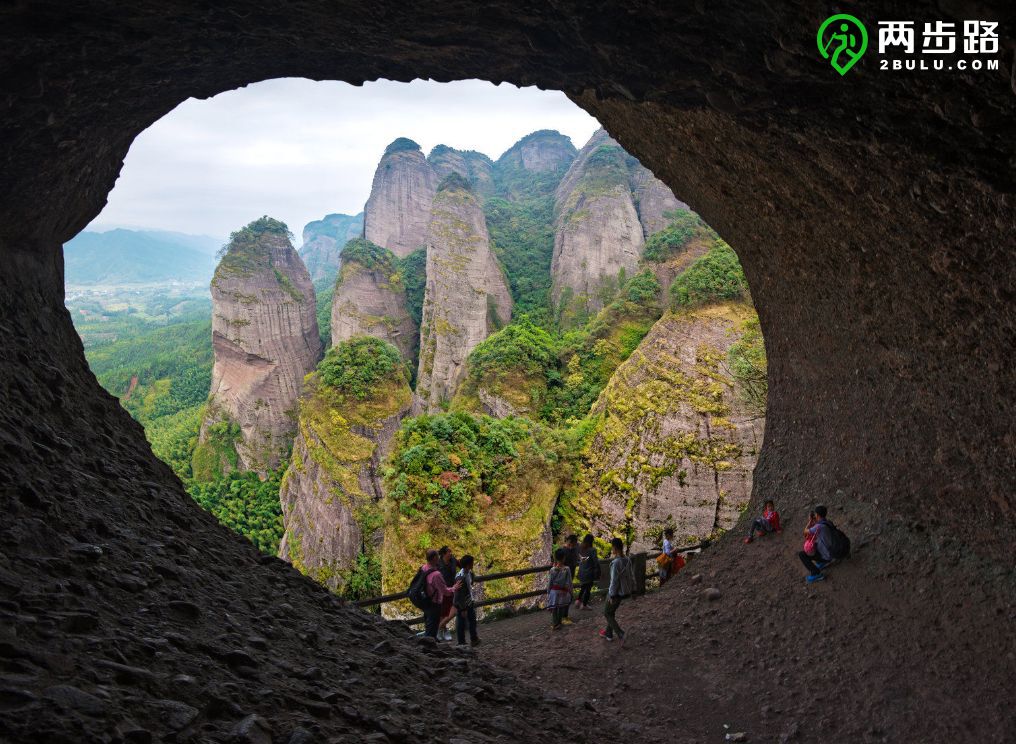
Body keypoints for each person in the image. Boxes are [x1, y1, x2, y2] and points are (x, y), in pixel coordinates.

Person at [600, 537, 633, 643]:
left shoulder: (616, 563)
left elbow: (614, 581)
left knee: (607, 613)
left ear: (615, 548)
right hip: (624, 591)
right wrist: (634, 589)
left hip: (616, 593)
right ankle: (608, 634)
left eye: (612, 548)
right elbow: (631, 576)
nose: (611, 550)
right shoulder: (627, 560)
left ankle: (620, 633)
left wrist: (611, 594)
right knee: (611, 612)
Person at [421, 549, 460, 638]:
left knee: (433, 622)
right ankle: (433, 639)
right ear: (435, 558)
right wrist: (454, 588)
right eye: (437, 556)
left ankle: (437, 635)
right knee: (434, 625)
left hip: (426, 599)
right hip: (435, 601)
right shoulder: (436, 574)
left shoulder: (424, 568)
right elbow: (445, 591)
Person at [799, 504, 833, 583]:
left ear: (817, 515)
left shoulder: (818, 527)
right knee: (814, 545)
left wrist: (810, 521)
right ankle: (821, 562)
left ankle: (816, 574)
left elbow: (805, 532)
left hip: (826, 556)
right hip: (831, 551)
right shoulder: (827, 523)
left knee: (802, 554)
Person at [453, 554, 480, 647]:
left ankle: (474, 639)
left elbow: (469, 584)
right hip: (462, 603)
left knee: (472, 620)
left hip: (469, 600)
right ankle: (461, 642)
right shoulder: (460, 577)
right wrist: (463, 608)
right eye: (472, 563)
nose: (473, 564)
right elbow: (458, 594)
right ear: (468, 565)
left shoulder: (469, 573)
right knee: (461, 623)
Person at [547, 547, 573, 630]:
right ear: (564, 558)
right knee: (561, 607)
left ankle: (555, 623)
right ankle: (559, 622)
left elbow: (550, 582)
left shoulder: (552, 570)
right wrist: (571, 592)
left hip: (554, 592)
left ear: (555, 558)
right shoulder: (567, 569)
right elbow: (569, 582)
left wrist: (548, 592)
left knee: (554, 608)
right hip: (563, 592)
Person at [436, 546, 458, 641]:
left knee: (453, 611)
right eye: (449, 551)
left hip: (453, 589)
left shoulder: (453, 560)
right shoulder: (438, 564)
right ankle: (444, 631)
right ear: (444, 554)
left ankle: (438, 629)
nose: (451, 553)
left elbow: (462, 565)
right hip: (441, 590)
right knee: (442, 613)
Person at [574, 534, 600, 610]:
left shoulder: (579, 548)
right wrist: (598, 572)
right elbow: (596, 562)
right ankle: (584, 605)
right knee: (588, 589)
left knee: (583, 587)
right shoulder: (592, 550)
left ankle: (578, 601)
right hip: (589, 573)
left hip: (581, 571)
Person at [560, 534, 579, 621]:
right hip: (563, 578)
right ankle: (562, 617)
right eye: (572, 544)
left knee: (568, 596)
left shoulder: (574, 549)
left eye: (574, 544)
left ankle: (565, 615)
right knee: (564, 597)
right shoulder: (563, 551)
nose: (573, 546)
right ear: (569, 542)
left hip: (570, 576)